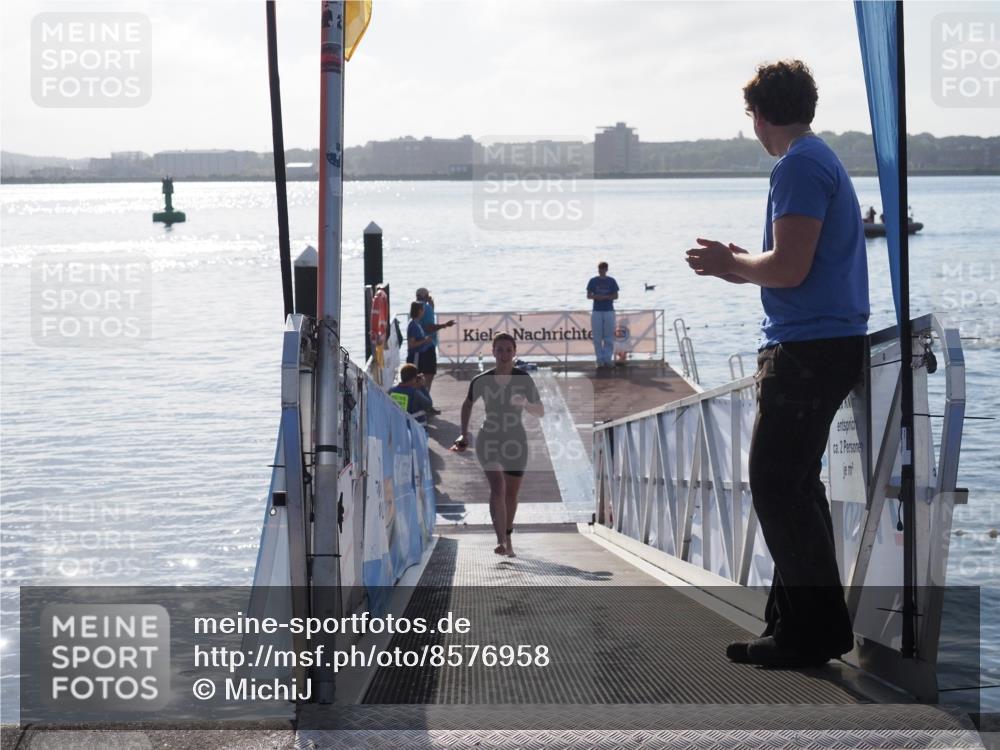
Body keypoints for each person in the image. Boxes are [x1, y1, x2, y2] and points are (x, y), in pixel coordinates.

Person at [685, 59, 869, 668]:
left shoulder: (797, 165)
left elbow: (788, 269)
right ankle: (793, 625)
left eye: (751, 118)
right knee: (793, 484)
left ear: (759, 115)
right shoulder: (820, 160)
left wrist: (730, 265)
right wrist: (746, 261)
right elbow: (795, 266)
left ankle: (813, 631)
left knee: (775, 483)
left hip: (808, 350)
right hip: (825, 342)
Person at [450, 333, 544, 557]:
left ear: (515, 352)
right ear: (492, 352)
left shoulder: (523, 379)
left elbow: (540, 411)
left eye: (508, 350)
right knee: (497, 487)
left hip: (515, 439)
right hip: (489, 437)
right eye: (499, 350)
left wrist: (524, 403)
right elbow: (467, 404)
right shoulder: (482, 380)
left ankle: (508, 535)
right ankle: (501, 540)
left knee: (511, 493)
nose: (503, 354)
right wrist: (464, 434)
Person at [415, 287, 455, 406]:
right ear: (426, 296)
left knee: (420, 373)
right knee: (428, 374)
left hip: (419, 346)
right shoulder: (426, 308)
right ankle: (425, 402)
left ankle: (421, 400)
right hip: (428, 345)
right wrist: (444, 325)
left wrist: (432, 306)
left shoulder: (416, 306)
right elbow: (428, 327)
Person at [586, 262, 619, 367]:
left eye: (603, 269)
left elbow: (616, 295)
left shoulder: (612, 281)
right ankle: (599, 359)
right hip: (597, 311)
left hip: (609, 310)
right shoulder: (593, 281)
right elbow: (588, 295)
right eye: (600, 269)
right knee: (597, 336)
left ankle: (607, 358)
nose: (601, 271)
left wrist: (607, 297)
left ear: (606, 269)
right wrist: (596, 297)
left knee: (609, 336)